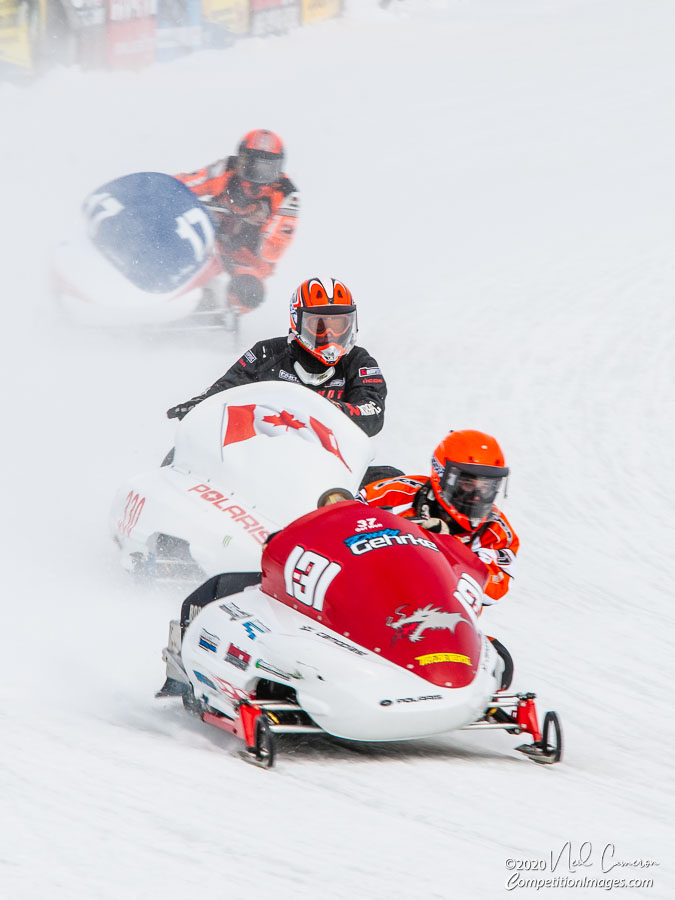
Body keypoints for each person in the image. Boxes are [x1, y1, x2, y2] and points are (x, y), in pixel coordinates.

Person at [166, 276, 387, 437]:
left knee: (389, 476)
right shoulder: (266, 353)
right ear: (297, 321)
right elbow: (225, 389)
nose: (330, 335)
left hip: (332, 463)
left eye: (339, 325)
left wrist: (318, 408)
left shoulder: (359, 362)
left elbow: (372, 415)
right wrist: (199, 404)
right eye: (319, 325)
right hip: (263, 456)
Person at [360, 429, 518, 603]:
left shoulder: (497, 532)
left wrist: (445, 545)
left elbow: (493, 592)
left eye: (486, 487)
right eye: (467, 484)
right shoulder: (396, 492)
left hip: (437, 614)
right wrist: (401, 531)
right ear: (443, 476)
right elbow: (343, 519)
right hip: (371, 592)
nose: (477, 496)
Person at [174, 129, 299, 313]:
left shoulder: (287, 196)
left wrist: (239, 233)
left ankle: (220, 315)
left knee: (250, 292)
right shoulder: (225, 170)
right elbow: (186, 184)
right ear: (241, 160)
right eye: (251, 165)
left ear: (278, 169)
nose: (258, 176)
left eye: (267, 170)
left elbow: (271, 250)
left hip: (247, 259)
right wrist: (158, 190)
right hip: (207, 241)